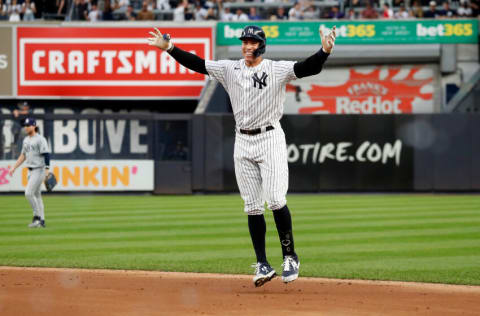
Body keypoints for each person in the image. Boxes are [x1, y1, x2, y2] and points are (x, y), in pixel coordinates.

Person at [148, 24, 336, 286]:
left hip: (269, 137)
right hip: (243, 140)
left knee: (275, 199)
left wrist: (325, 50)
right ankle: (262, 263)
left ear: (262, 45)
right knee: (251, 205)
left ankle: (290, 256)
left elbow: (308, 68)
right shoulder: (229, 69)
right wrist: (169, 48)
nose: (247, 46)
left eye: (252, 42)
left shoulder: (275, 69)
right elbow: (198, 64)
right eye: (244, 42)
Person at [9, 117, 51, 228]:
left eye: (28, 125)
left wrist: (47, 170)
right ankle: (42, 222)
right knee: (37, 196)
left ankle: (36, 217)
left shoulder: (40, 139)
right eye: (25, 126)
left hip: (39, 170)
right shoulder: (26, 140)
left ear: (34, 126)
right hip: (30, 171)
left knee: (28, 193)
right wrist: (14, 167)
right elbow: (23, 155)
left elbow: (46, 154)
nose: (26, 127)